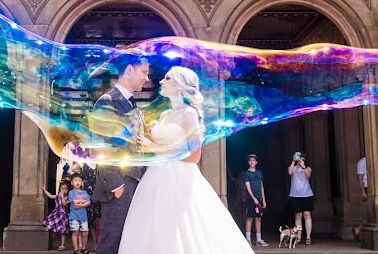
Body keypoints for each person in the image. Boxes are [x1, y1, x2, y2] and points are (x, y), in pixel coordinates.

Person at [117, 66, 253, 253]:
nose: (161, 81)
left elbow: (194, 156)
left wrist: (156, 147)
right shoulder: (164, 115)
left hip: (179, 178)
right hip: (156, 177)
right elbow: (163, 150)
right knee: (153, 228)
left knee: (179, 226)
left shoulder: (189, 113)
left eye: (168, 78)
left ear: (180, 85)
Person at [90, 54, 149, 254]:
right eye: (144, 72)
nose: (147, 78)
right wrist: (116, 185)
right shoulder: (107, 101)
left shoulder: (132, 104)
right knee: (111, 244)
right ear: (129, 70)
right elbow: (100, 145)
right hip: (120, 185)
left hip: (135, 183)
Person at [287, 151, 314, 246]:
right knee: (298, 216)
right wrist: (293, 162)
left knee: (307, 215)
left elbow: (308, 176)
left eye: (300, 157)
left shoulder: (307, 168)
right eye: (297, 157)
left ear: (304, 159)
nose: (298, 159)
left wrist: (303, 166)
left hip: (307, 194)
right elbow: (289, 172)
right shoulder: (293, 168)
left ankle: (308, 237)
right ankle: (298, 237)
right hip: (295, 195)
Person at [243, 154, 267, 246]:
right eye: (250, 160)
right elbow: (248, 187)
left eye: (254, 160)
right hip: (251, 199)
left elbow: (261, 186)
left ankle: (259, 239)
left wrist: (263, 199)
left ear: (256, 162)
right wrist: (253, 198)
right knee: (249, 218)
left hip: (259, 199)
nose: (252, 162)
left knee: (258, 219)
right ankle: (248, 239)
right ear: (248, 162)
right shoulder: (246, 173)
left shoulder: (259, 173)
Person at [43, 181, 71, 252]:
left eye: (65, 189)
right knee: (52, 222)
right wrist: (44, 190)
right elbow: (50, 196)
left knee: (63, 231)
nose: (64, 190)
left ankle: (62, 245)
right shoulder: (57, 195)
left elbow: (64, 204)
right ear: (59, 190)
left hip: (63, 215)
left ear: (68, 190)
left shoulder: (68, 198)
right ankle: (49, 230)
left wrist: (62, 197)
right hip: (57, 213)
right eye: (62, 189)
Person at [69, 173, 91, 254]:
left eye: (79, 181)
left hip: (83, 216)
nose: (77, 182)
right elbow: (75, 202)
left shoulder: (85, 192)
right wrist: (83, 202)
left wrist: (81, 204)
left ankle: (84, 248)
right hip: (74, 216)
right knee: (75, 232)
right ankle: (76, 249)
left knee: (85, 233)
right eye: (75, 181)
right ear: (72, 183)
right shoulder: (71, 192)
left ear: (82, 182)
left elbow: (88, 202)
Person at [354, 156, 368, 240]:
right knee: (371, 215)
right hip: (367, 187)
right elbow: (359, 178)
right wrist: (363, 191)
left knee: (371, 215)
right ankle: (357, 229)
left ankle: (357, 230)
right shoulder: (362, 161)